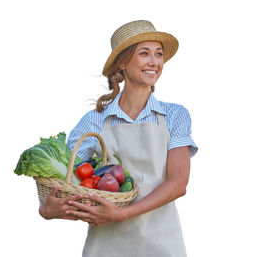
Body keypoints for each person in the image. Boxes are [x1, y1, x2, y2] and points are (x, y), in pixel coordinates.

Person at [38, 20, 198, 257]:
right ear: (122, 63)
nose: (154, 62)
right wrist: (48, 209)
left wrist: (121, 214)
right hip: (106, 246)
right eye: (144, 53)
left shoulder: (174, 116)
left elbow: (178, 183)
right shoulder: (95, 121)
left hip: (162, 243)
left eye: (158, 54)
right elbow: (66, 178)